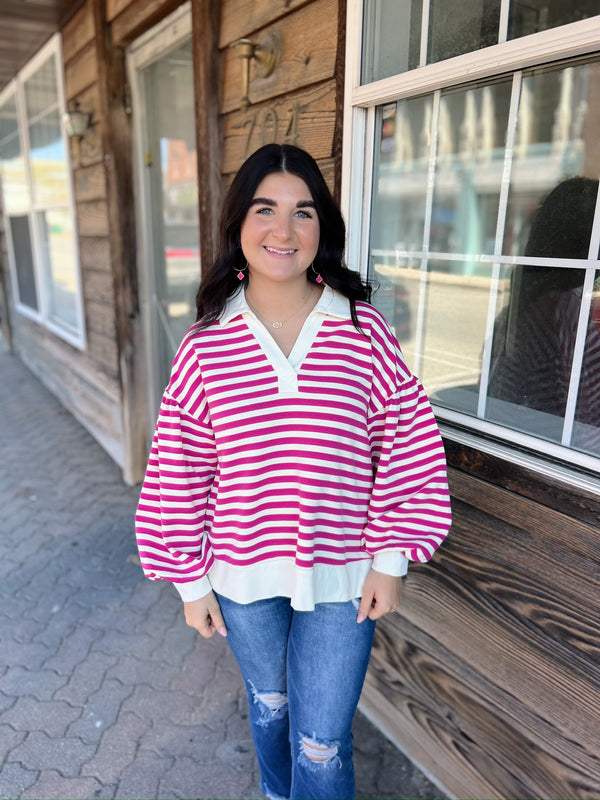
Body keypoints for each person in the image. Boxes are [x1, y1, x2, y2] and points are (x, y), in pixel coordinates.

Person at [135, 143, 452, 800]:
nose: (284, 230)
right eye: (265, 209)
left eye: (303, 212)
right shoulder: (206, 344)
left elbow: (405, 441)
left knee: (323, 744)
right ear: (237, 224)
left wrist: (391, 559)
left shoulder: (363, 331)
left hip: (341, 576)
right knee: (270, 704)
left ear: (322, 227)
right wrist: (190, 583)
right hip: (242, 576)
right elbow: (179, 468)